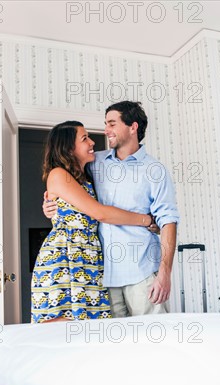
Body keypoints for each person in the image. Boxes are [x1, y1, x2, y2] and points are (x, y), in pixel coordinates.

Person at [43, 101, 179, 317]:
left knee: (154, 342)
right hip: (102, 277)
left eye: (112, 124)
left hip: (143, 273)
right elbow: (79, 197)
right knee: (112, 347)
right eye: (105, 124)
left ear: (132, 127)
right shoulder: (94, 162)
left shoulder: (155, 171)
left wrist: (165, 273)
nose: (106, 131)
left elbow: (169, 222)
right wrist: (51, 204)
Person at [31, 120, 155, 323]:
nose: (92, 143)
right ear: (68, 148)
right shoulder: (58, 174)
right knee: (60, 332)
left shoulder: (86, 178)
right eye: (84, 138)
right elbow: (100, 213)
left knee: (89, 332)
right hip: (64, 258)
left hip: (88, 259)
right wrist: (145, 219)